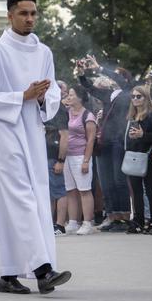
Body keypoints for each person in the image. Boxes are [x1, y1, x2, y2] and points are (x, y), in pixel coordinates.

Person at [0, 0, 71, 295]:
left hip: (33, 130)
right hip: (5, 131)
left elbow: (53, 93)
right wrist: (22, 96)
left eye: (33, 13)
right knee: (21, 196)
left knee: (31, 198)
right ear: (9, 15)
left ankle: (10, 273)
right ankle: (43, 269)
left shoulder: (44, 53)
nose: (30, 19)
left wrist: (42, 98)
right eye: (23, 13)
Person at [78, 57, 133, 230]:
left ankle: (124, 217)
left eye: (115, 75)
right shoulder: (109, 95)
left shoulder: (127, 93)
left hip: (118, 141)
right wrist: (81, 75)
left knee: (119, 180)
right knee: (107, 182)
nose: (112, 77)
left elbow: (122, 80)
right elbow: (89, 88)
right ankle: (112, 216)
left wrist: (99, 67)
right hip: (105, 142)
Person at [59, 85, 97, 235]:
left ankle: (87, 222)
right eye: (68, 94)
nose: (69, 97)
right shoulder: (67, 113)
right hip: (67, 156)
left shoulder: (88, 116)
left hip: (80, 155)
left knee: (84, 190)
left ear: (80, 98)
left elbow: (91, 140)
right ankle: (73, 222)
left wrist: (86, 160)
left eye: (72, 95)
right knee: (70, 190)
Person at [124, 85, 152, 233]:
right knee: (136, 190)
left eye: (139, 96)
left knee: (150, 189)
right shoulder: (131, 116)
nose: (135, 99)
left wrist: (142, 135)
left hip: (148, 156)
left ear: (146, 98)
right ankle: (138, 221)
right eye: (133, 97)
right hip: (133, 155)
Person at [44, 86, 69, 235]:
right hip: (46, 154)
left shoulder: (58, 108)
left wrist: (61, 160)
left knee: (59, 190)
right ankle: (51, 223)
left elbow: (64, 136)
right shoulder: (48, 107)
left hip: (54, 155)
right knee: (50, 192)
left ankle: (60, 224)